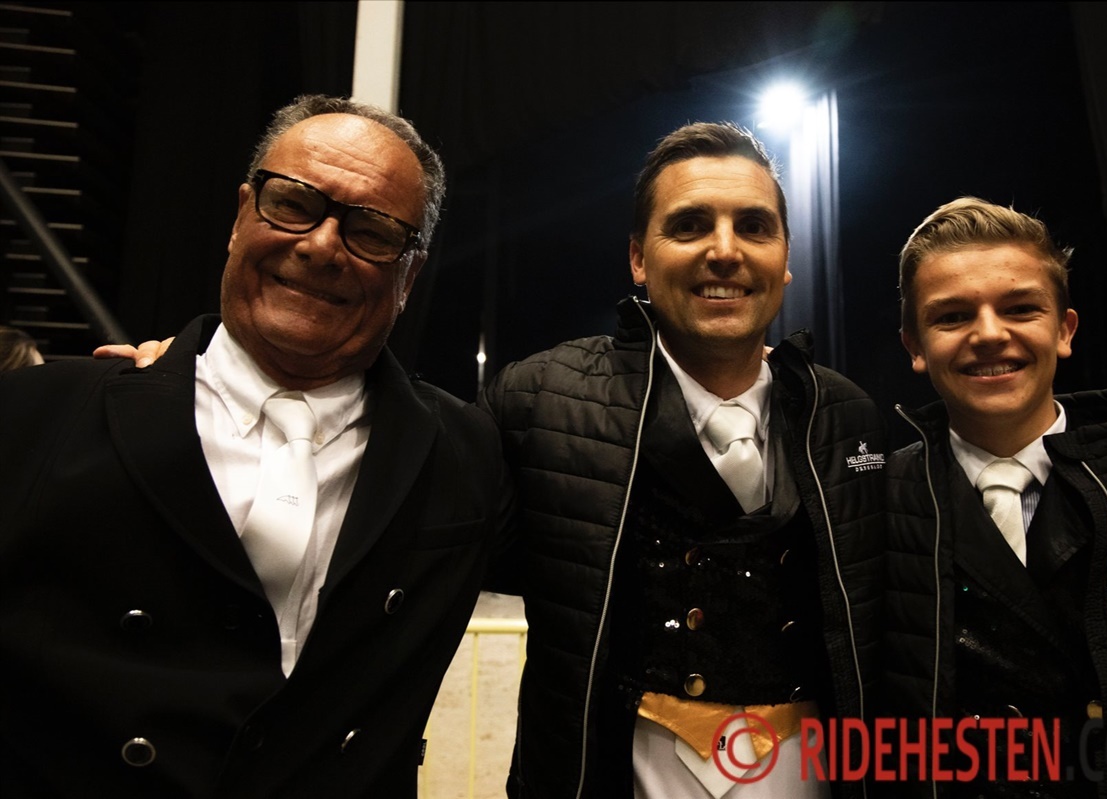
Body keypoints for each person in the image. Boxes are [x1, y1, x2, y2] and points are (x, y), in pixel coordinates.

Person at [0, 95, 512, 798]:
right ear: (243, 214)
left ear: (410, 272)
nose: (322, 245)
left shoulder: (467, 455)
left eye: (372, 230)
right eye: (293, 204)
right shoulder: (41, 415)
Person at [481, 123, 886, 798]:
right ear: (638, 257)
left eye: (753, 227)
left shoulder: (849, 418)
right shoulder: (536, 401)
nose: (724, 251)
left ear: (785, 257)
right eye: (691, 225)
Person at [885, 197, 1107, 797]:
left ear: (1064, 330)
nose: (989, 334)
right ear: (915, 346)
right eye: (952, 316)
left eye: (1020, 309)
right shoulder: (869, 506)